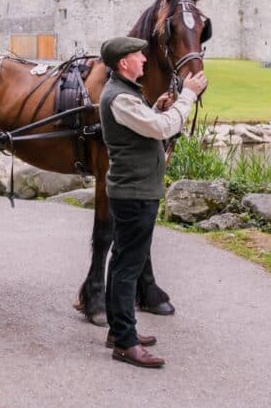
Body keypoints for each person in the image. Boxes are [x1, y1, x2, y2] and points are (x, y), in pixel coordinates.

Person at [98, 35, 207, 368]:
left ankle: (119, 332)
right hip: (135, 193)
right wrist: (187, 96)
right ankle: (126, 344)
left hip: (133, 191)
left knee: (121, 263)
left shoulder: (126, 94)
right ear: (123, 63)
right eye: (138, 56)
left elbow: (146, 124)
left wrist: (155, 107)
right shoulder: (119, 98)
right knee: (128, 267)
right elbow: (162, 129)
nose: (145, 60)